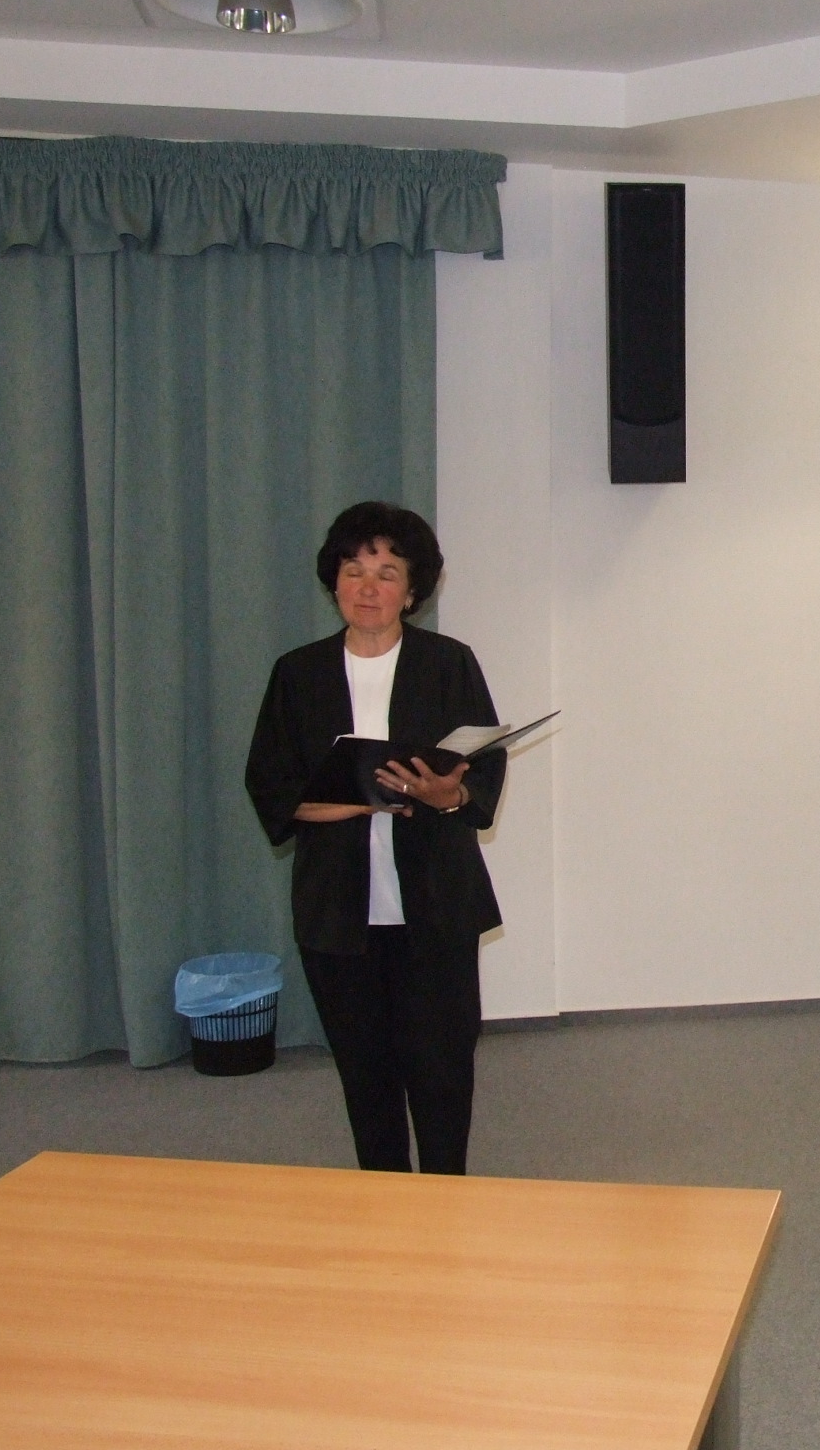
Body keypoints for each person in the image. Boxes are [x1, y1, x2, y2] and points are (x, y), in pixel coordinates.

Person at [245, 501, 506, 1176]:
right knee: (366, 1077)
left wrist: (445, 794)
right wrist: (359, 801)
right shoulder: (297, 674)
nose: (367, 587)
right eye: (353, 570)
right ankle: (382, 1202)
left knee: (443, 1072)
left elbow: (481, 770)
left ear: (412, 591)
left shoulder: (449, 664)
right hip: (338, 913)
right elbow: (270, 784)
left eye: (387, 573)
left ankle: (446, 1197)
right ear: (333, 580)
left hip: (436, 905)